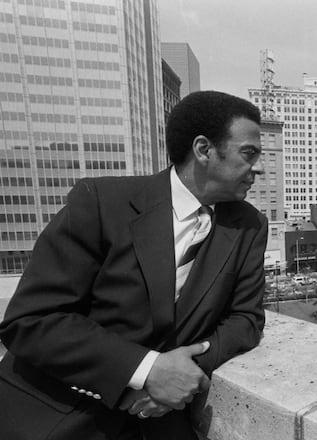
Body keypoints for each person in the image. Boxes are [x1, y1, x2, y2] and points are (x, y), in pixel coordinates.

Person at [0, 91, 269, 439]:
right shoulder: (100, 204)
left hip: (163, 425)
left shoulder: (249, 225)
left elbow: (246, 318)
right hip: (57, 416)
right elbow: (31, 320)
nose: (259, 167)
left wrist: (184, 372)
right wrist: (146, 371)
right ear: (203, 150)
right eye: (249, 153)